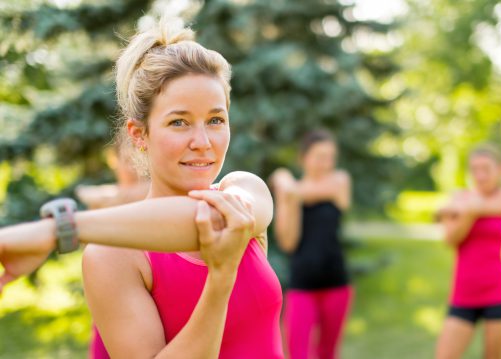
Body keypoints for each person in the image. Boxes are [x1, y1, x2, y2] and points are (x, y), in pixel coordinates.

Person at [0, 19, 283, 359]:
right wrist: (220, 279)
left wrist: (54, 231)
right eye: (179, 122)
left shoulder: (246, 191)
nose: (202, 142)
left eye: (215, 120)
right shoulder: (111, 256)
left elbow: (210, 218)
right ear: (138, 134)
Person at [270, 130, 352, 359]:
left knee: (328, 353)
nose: (326, 164)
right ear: (303, 158)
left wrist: (284, 182)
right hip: (302, 284)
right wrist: (289, 200)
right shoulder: (291, 195)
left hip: (336, 282)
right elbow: (288, 242)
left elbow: (301, 191)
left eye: (330, 157)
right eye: (319, 157)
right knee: (297, 354)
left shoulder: (339, 181)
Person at [435, 145, 501, 359]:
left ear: (500, 169)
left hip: (498, 292)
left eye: (486, 169)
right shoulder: (459, 198)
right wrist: (469, 214)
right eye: (475, 169)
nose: (480, 175)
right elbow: (450, 239)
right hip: (463, 293)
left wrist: (462, 209)